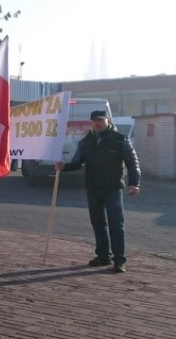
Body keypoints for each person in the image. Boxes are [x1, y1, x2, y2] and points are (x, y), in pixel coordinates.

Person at [55, 110, 140, 272]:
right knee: (98, 223)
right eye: (94, 120)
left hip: (113, 188)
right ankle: (103, 256)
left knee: (116, 224)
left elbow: (132, 162)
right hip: (93, 188)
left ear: (107, 120)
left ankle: (119, 260)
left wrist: (134, 183)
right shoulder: (86, 142)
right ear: (91, 123)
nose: (97, 123)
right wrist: (64, 166)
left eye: (100, 120)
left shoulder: (120, 140)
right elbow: (77, 162)